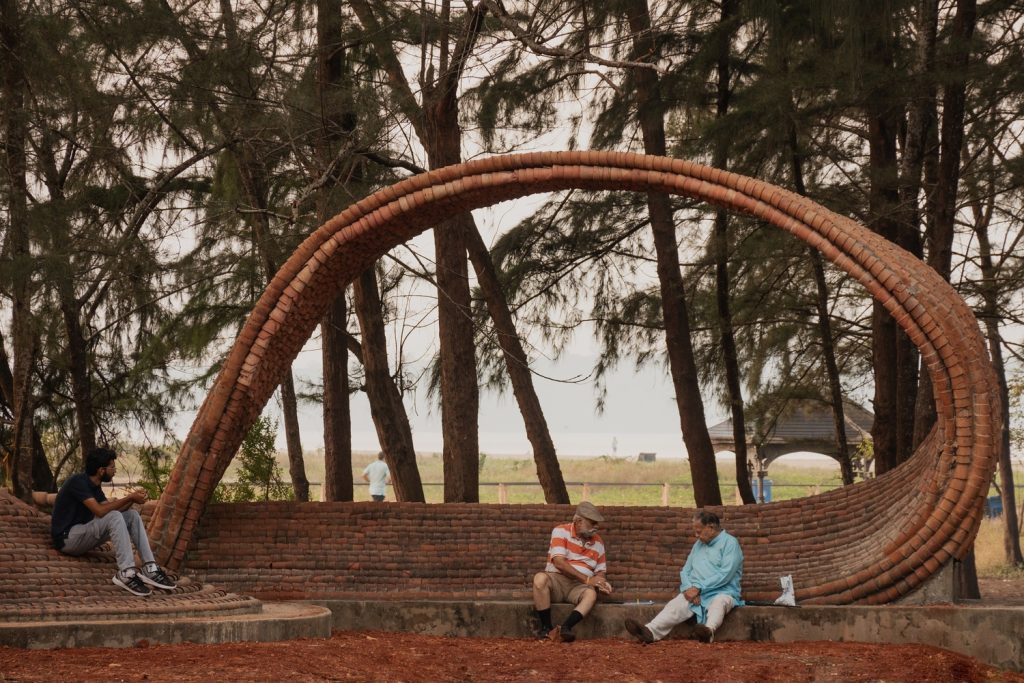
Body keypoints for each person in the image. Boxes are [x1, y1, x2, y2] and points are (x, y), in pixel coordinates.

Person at [50, 447, 176, 597]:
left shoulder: (95, 486)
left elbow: (110, 510)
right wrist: (129, 497)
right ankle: (126, 572)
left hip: (82, 534)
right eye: (112, 467)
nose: (115, 471)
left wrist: (133, 500)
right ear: (101, 470)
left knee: (132, 515)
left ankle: (150, 567)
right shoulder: (78, 482)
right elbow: (100, 511)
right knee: (115, 516)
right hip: (67, 539)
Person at [625, 510, 743, 644]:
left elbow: (726, 574)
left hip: (723, 591)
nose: (696, 535)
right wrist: (688, 588)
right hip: (695, 592)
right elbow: (686, 570)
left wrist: (699, 588)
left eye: (699, 531)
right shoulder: (698, 544)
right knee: (675, 605)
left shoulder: (730, 543)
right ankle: (650, 631)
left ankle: (708, 632)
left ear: (710, 528)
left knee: (719, 603)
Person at [532, 501, 613, 643]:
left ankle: (566, 628)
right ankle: (546, 629)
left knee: (591, 594)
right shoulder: (560, 531)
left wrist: (602, 584)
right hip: (557, 581)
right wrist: (587, 580)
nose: (596, 527)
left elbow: (600, 572)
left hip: (578, 587)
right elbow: (559, 562)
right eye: (592, 523)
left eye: (597, 523)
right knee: (539, 579)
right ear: (578, 521)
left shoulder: (599, 542)